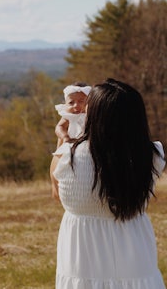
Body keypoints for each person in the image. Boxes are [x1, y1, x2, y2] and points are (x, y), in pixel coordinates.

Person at [50, 78, 166, 289]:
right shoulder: (152, 155)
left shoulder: (69, 157)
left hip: (82, 257)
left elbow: (56, 192)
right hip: (136, 252)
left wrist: (64, 139)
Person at [53, 82, 91, 155]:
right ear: (65, 104)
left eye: (81, 101)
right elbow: (59, 127)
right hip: (69, 144)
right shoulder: (69, 116)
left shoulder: (90, 115)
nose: (76, 105)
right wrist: (65, 136)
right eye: (71, 102)